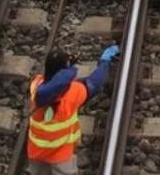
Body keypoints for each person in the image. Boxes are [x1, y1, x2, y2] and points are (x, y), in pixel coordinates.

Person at [26, 44, 119, 174]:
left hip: (37, 151)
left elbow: (58, 85)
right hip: (59, 154)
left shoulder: (37, 86)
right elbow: (94, 83)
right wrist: (104, 63)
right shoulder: (72, 95)